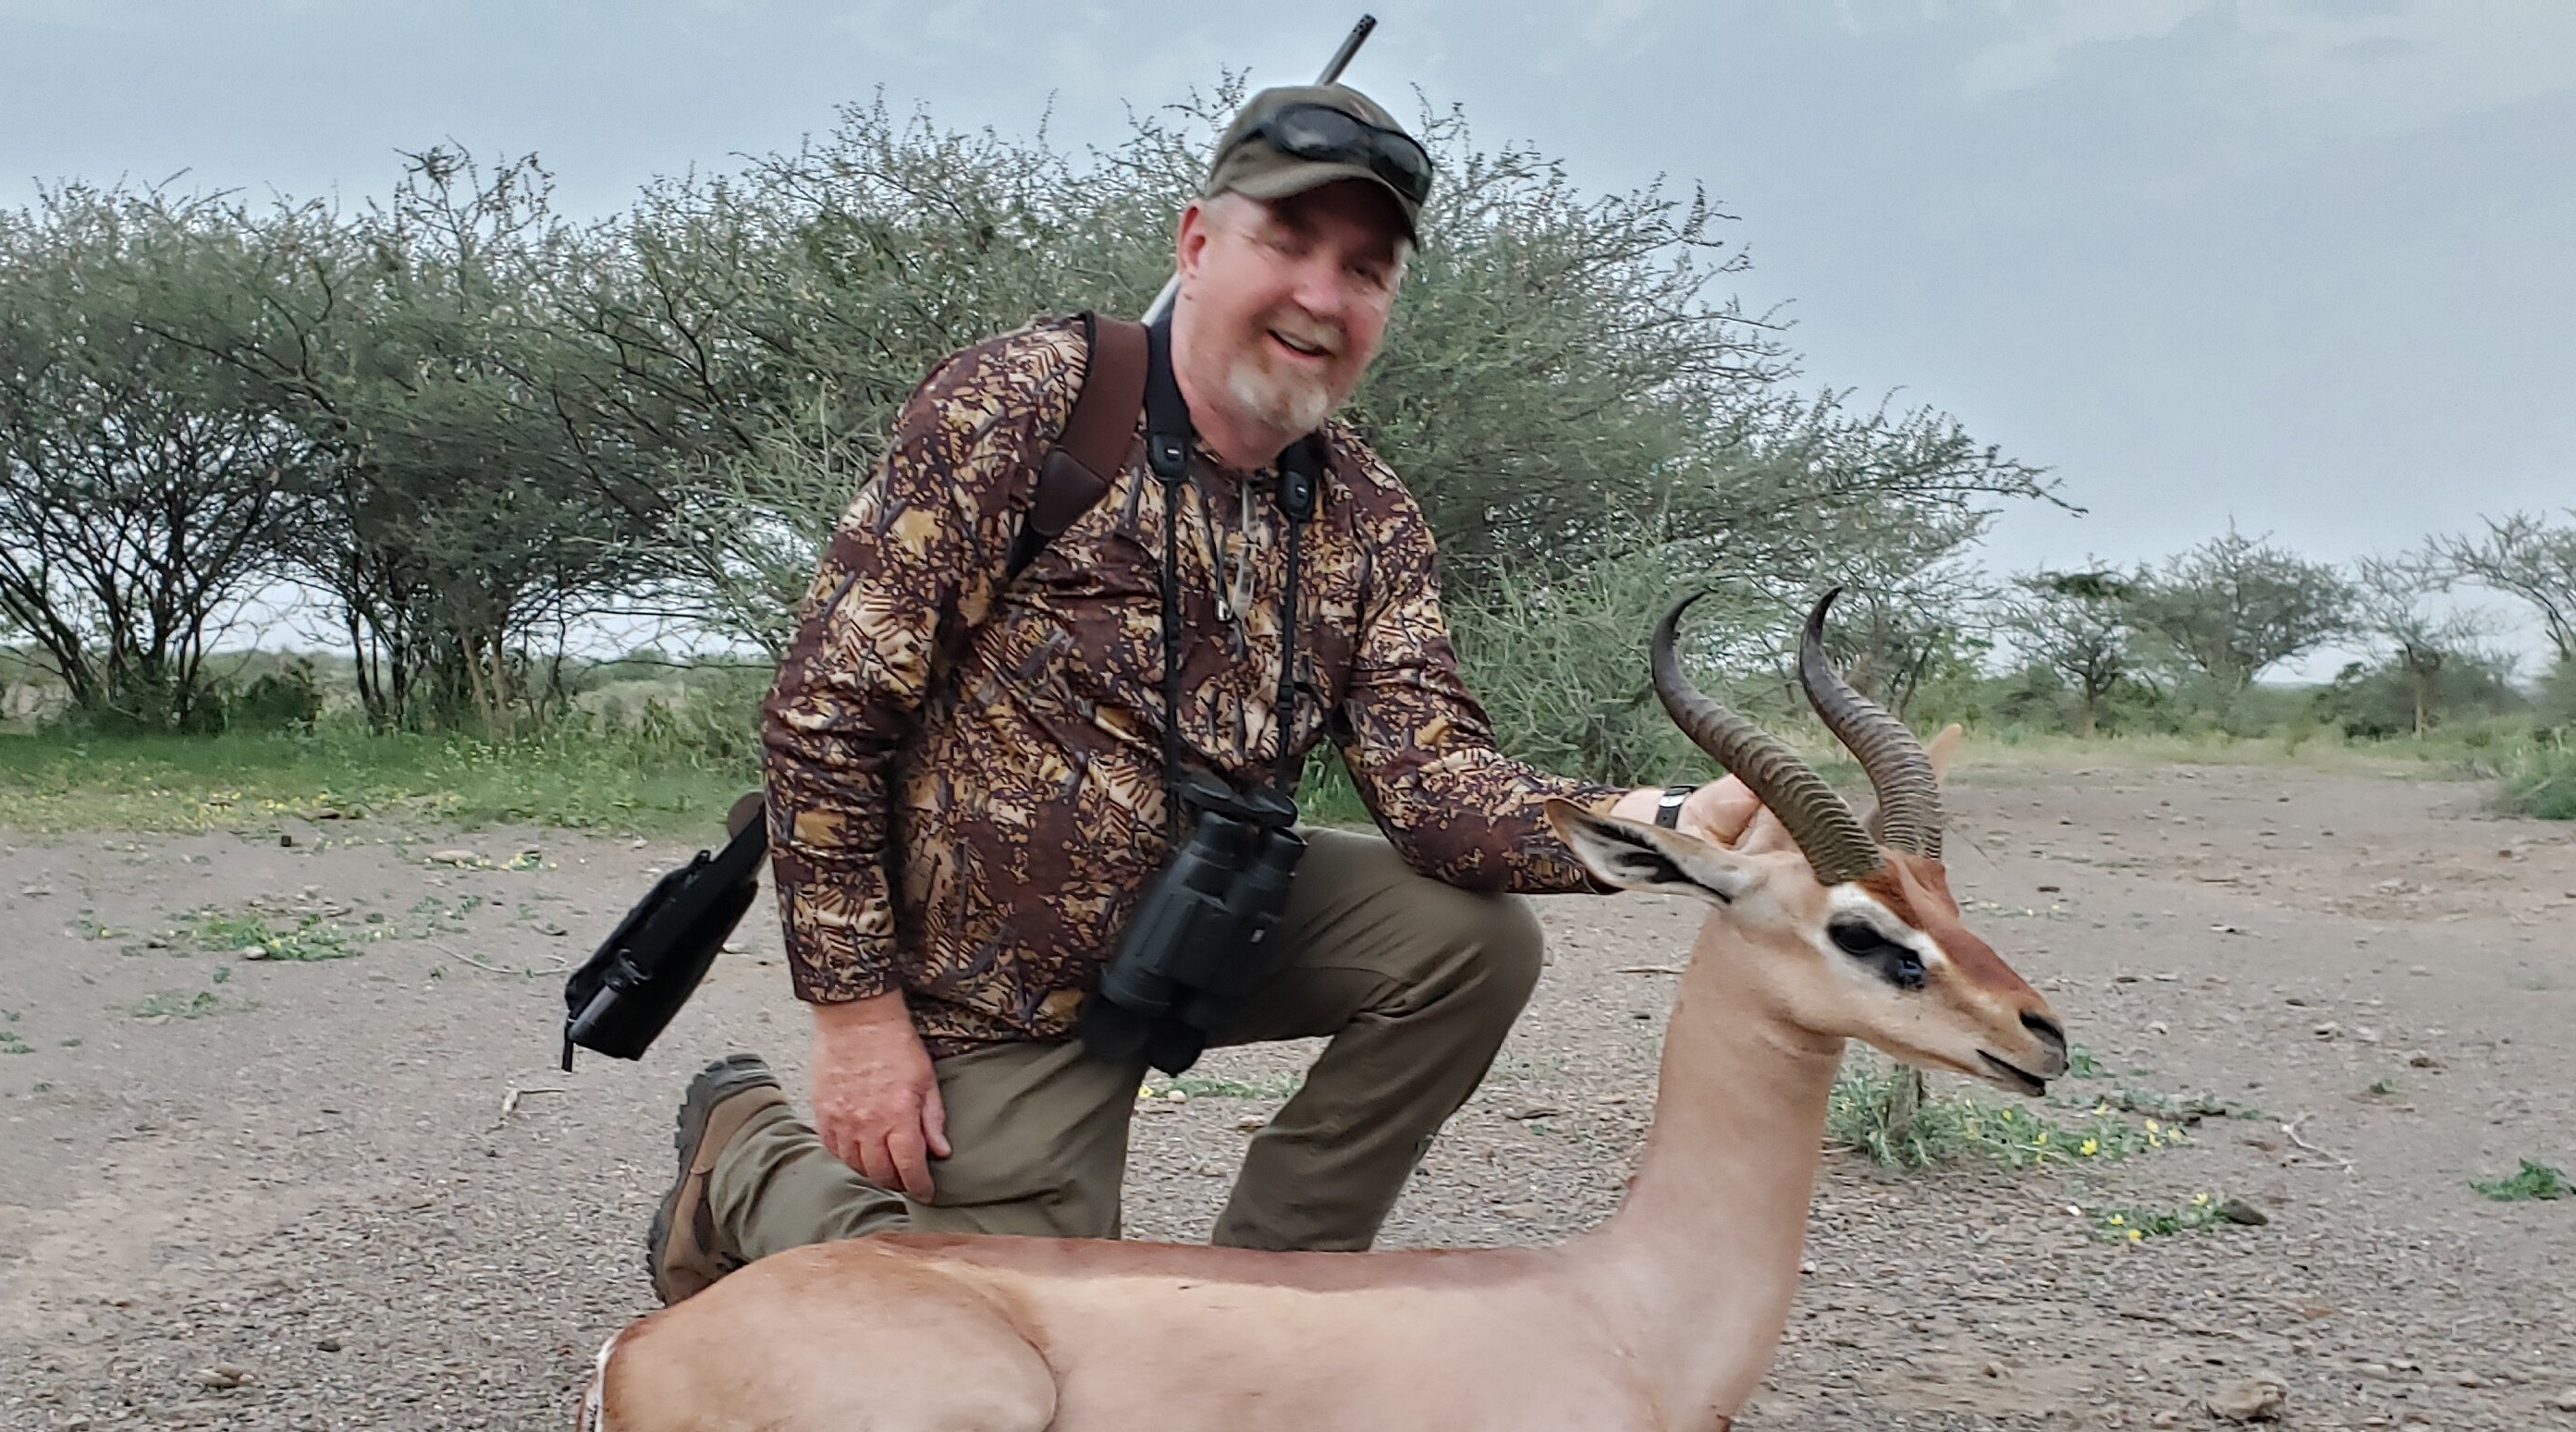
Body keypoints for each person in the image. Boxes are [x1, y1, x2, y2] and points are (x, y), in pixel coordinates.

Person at [651, 83, 1760, 1303]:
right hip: (997, 988)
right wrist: (858, 1020)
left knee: (1469, 946)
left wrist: (1668, 825)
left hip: (1200, 926)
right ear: (1196, 244)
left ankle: (1267, 1302)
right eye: (1287, 244)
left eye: (1366, 269)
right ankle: (744, 1157)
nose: (1321, 297)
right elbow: (826, 714)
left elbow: (1438, 785)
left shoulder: (1366, 511)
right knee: (1003, 1316)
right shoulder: (1024, 405)